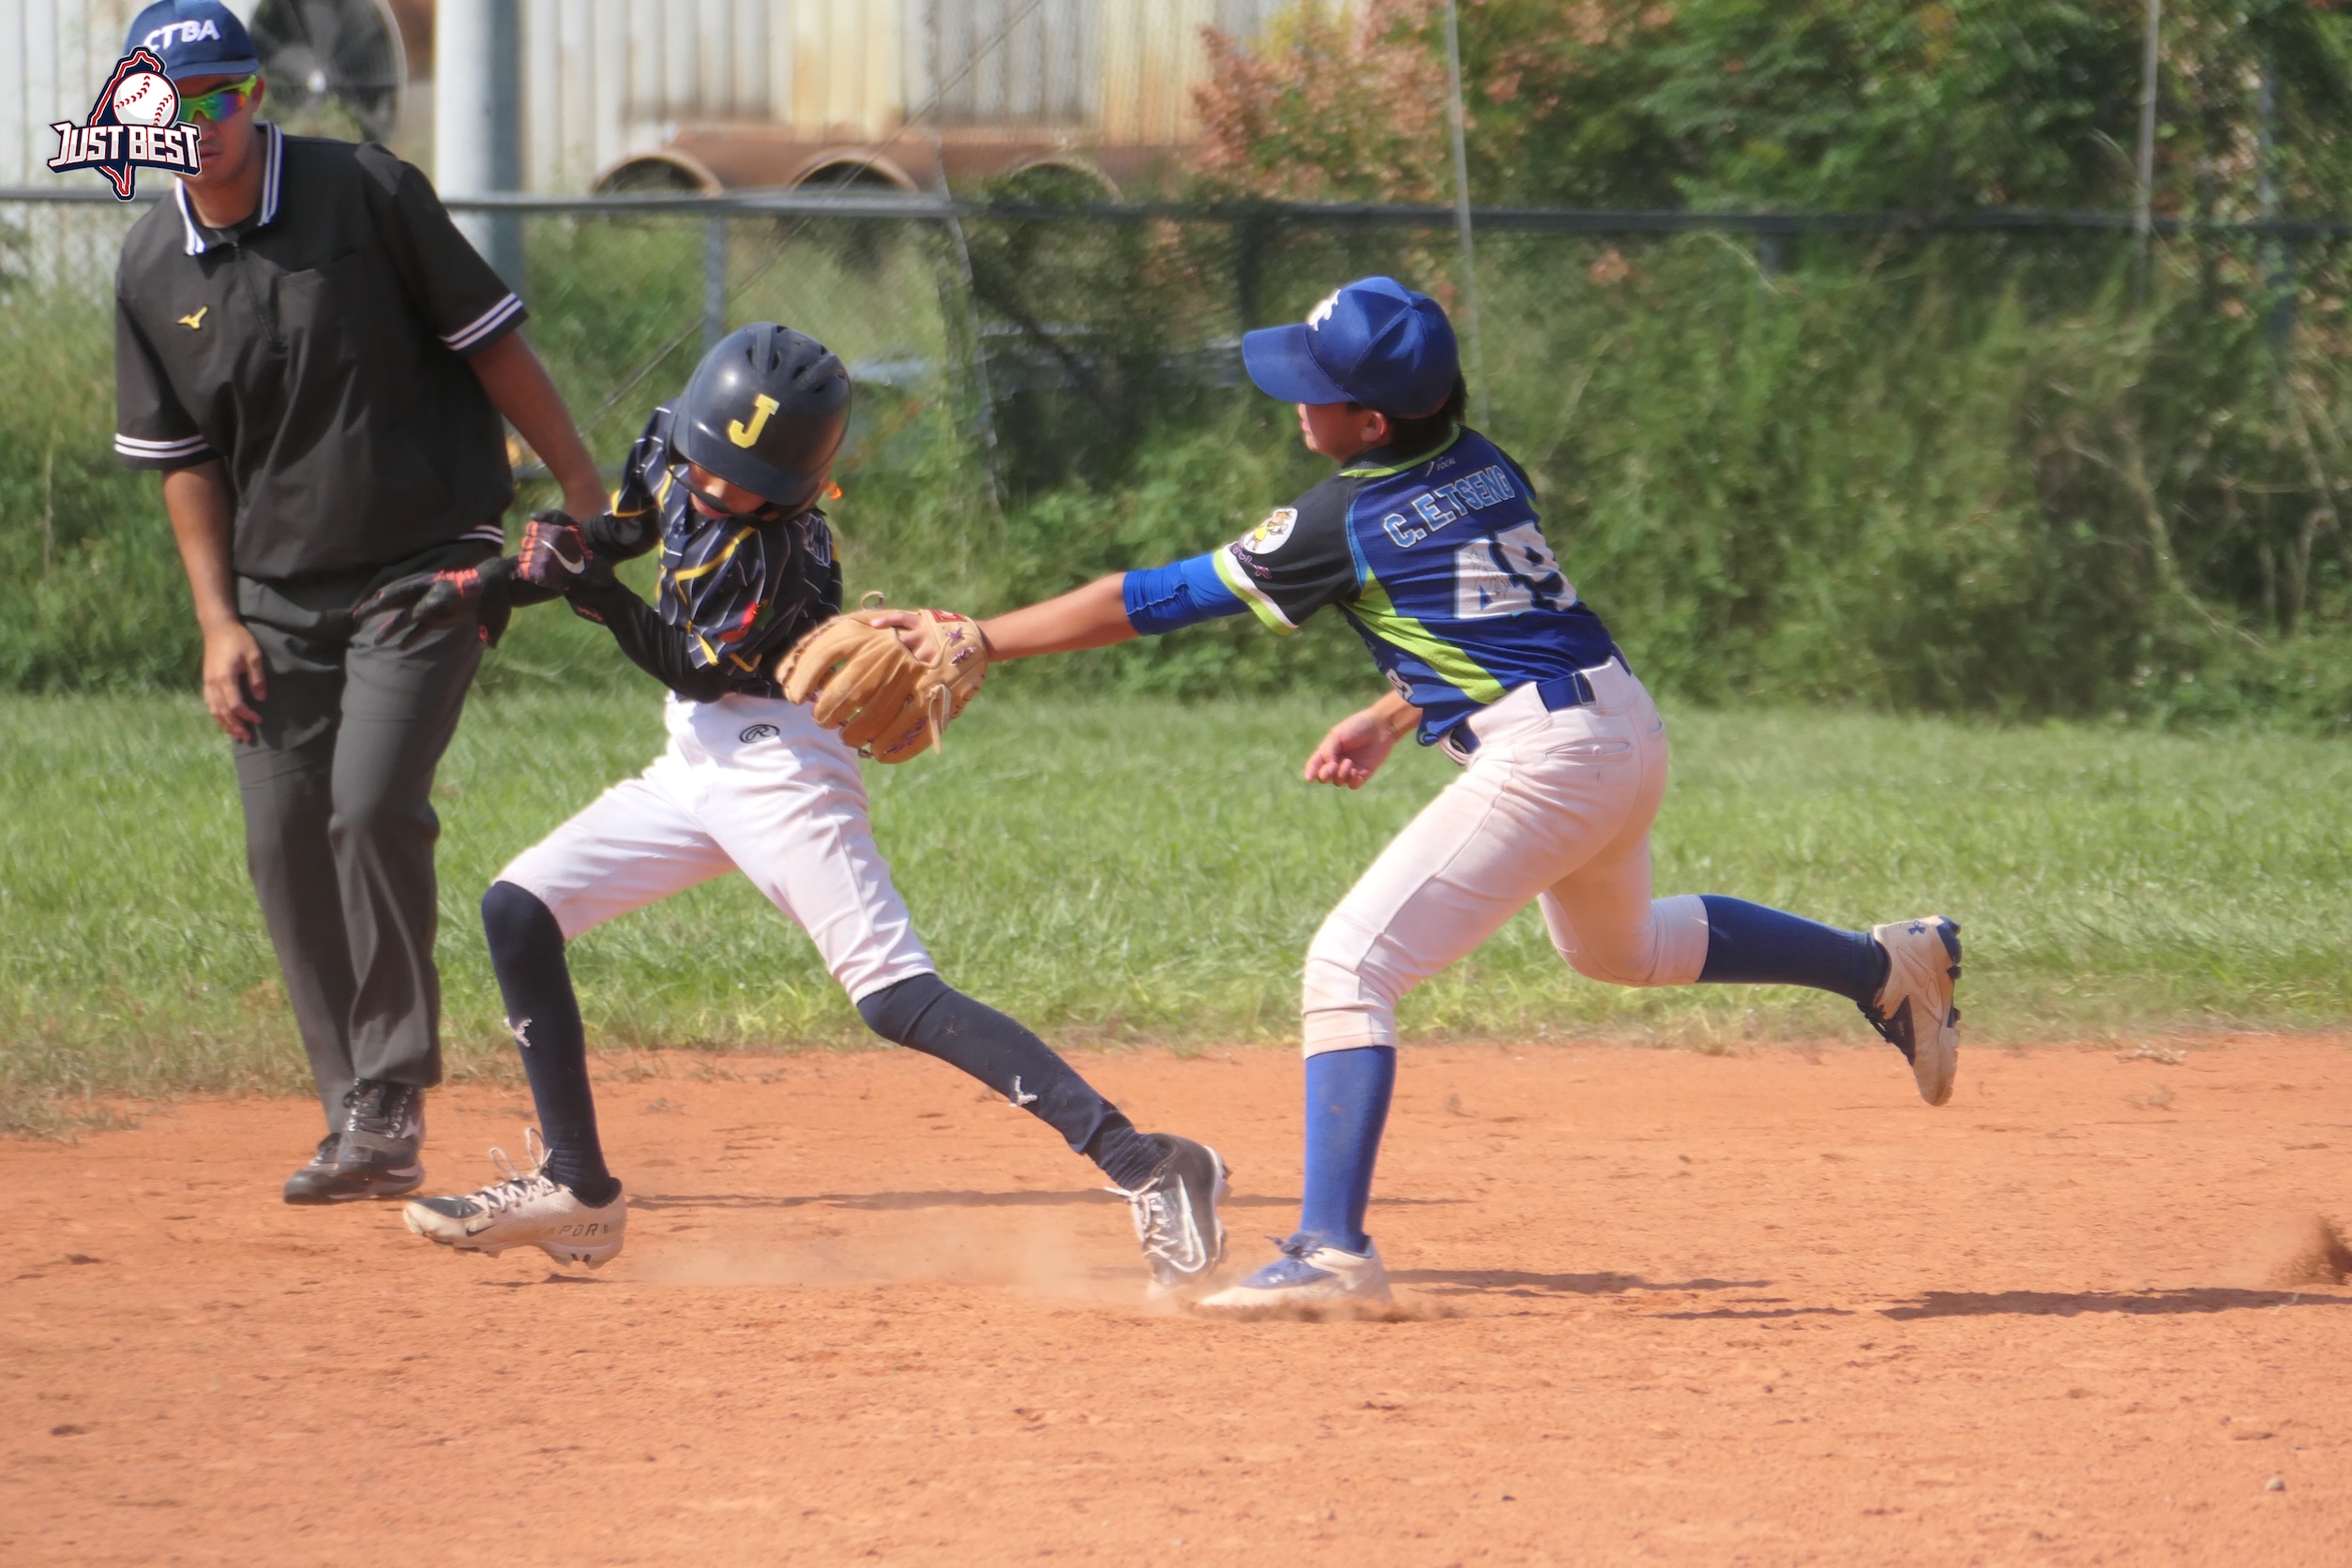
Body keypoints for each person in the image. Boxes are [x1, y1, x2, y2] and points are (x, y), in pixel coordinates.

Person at [962, 276, 1963, 1312]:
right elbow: (1485, 610)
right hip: (1620, 724)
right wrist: (1396, 713)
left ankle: (1331, 1250)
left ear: (1373, 420)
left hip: (1553, 756)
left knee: (1350, 966)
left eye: (1316, 389)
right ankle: (1886, 967)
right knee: (1619, 951)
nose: (1296, 402)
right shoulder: (1481, 463)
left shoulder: (1338, 516)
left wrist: (981, 637)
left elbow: (1154, 598)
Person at [360, 324, 1229, 1290]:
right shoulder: (679, 445)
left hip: (783, 766)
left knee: (896, 995)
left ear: (804, 487)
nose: (718, 491)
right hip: (694, 765)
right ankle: (579, 1190)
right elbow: (627, 529)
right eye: (708, 465)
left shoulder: (781, 556)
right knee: (518, 908)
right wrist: (489, 584)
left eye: (749, 486)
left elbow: (692, 667)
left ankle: (1152, 1163)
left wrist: (592, 593)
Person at [110, 1, 610, 1204]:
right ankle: (362, 1121)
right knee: (283, 844)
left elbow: (493, 345)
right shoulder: (147, 263)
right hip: (276, 596)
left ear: (259, 96)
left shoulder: (366, 192)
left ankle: (387, 1083)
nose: (201, 123)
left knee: (371, 804)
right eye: (173, 105)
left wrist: (583, 493)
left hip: (428, 558)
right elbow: (184, 457)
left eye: (223, 95)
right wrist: (218, 621)